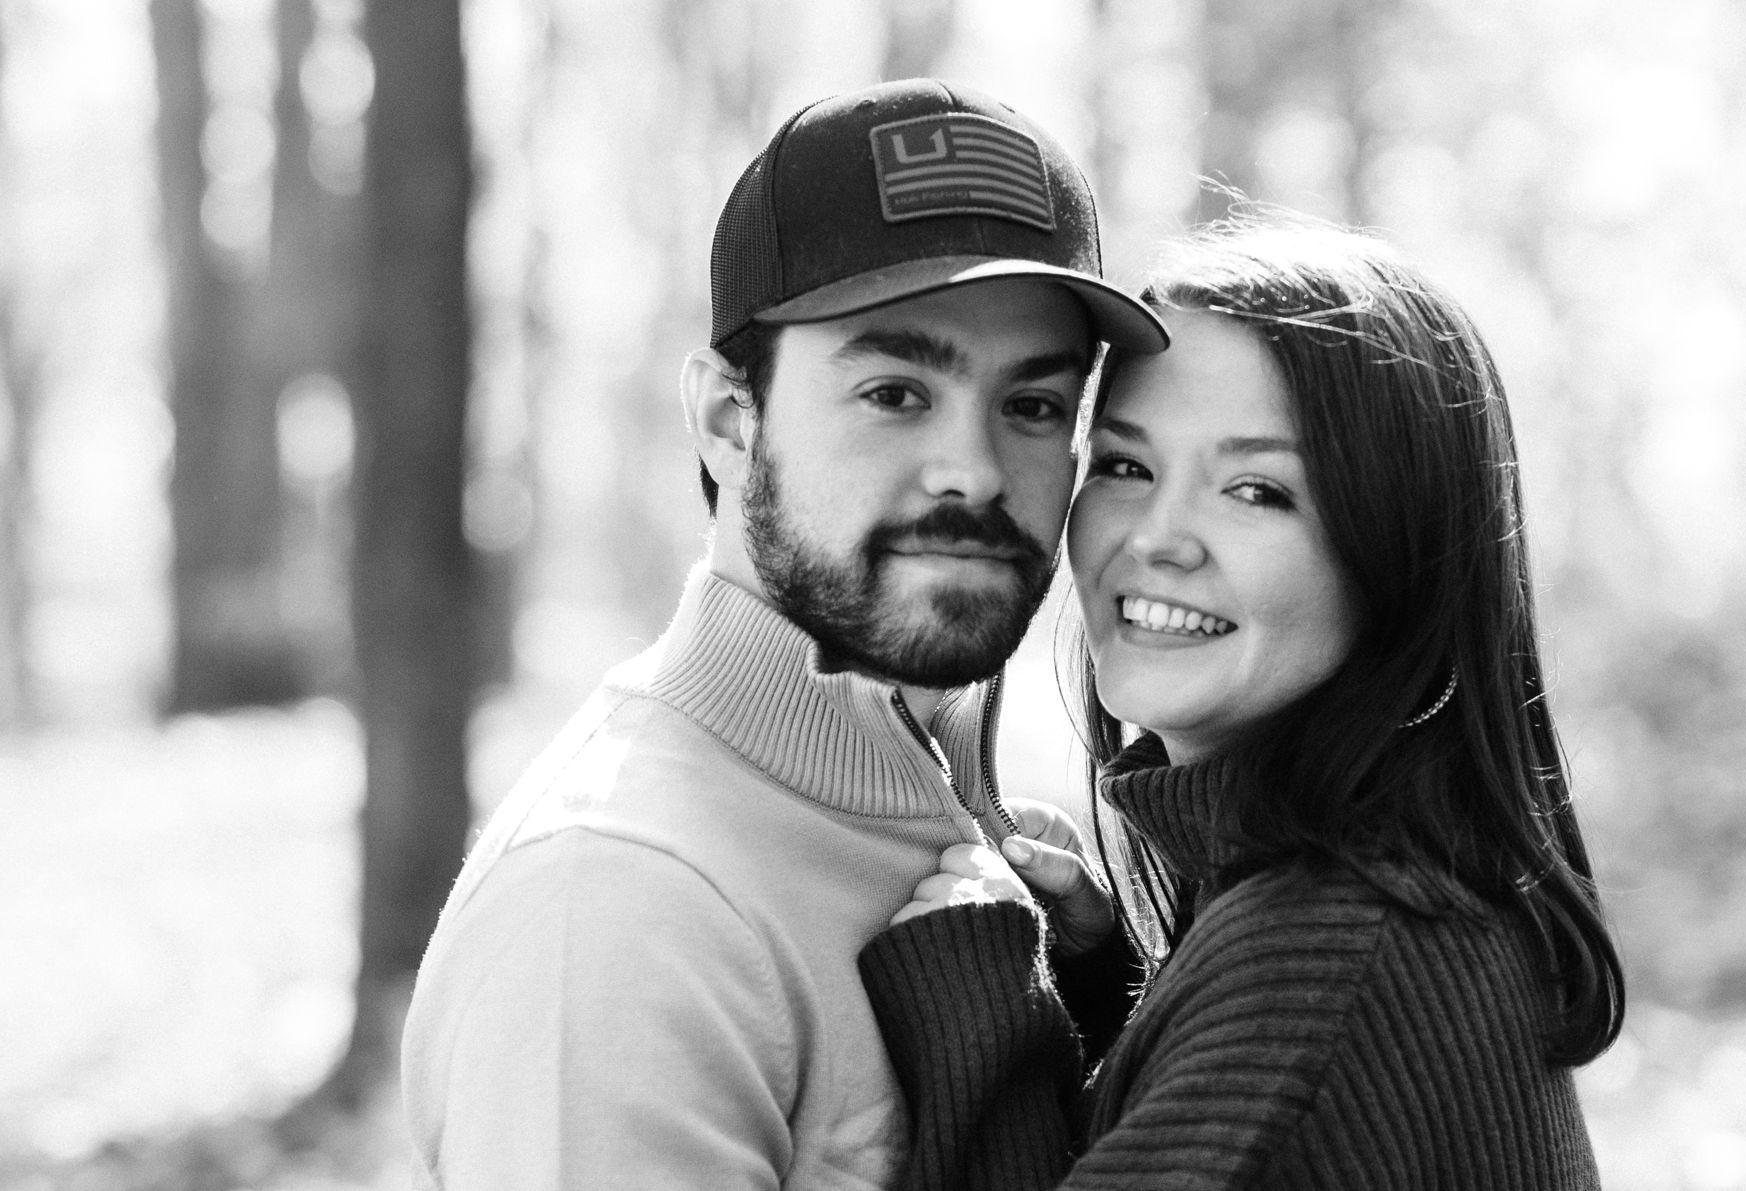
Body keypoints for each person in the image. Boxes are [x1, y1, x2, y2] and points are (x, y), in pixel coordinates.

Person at [399, 78, 1168, 1191]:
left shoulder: (975, 831)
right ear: (728, 420)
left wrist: (1095, 1006)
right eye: (895, 393)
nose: (975, 471)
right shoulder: (620, 919)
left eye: (1033, 406)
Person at [858, 216, 1628, 1190]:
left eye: (1256, 490)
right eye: (1126, 466)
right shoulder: (1369, 899)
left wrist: (980, 1020)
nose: (1156, 537)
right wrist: (1096, 993)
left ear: (1398, 555)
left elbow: (1289, 1091)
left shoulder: (1325, 978)